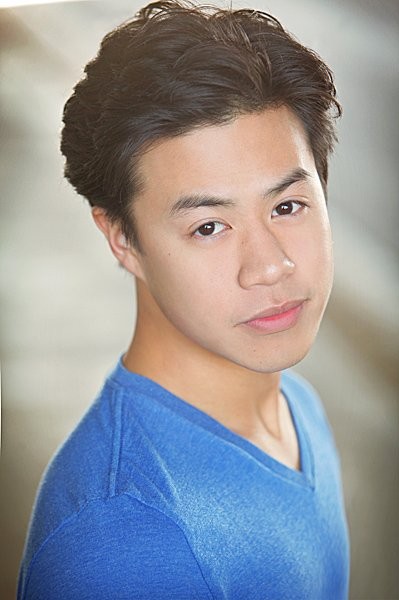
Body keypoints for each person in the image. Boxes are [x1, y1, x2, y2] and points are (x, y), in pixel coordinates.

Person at [18, 1, 350, 598]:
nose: (270, 265)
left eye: (287, 206)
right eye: (208, 227)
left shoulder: (296, 404)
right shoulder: (122, 540)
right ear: (123, 239)